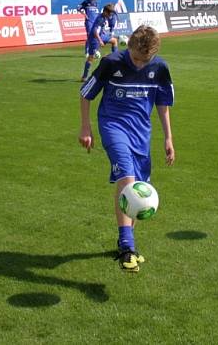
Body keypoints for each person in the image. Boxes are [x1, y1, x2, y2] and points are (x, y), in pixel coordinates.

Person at [78, 25, 175, 272]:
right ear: (128, 46)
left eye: (146, 60)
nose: (140, 65)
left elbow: (163, 104)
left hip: (142, 133)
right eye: (135, 58)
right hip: (113, 126)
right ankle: (128, 247)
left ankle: (126, 242)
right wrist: (86, 128)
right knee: (128, 181)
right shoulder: (111, 62)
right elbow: (86, 95)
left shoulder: (160, 68)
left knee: (140, 190)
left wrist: (168, 138)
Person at [80, 4, 119, 82]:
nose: (110, 16)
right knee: (91, 57)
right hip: (94, 39)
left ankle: (116, 60)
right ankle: (84, 77)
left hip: (101, 36)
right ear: (105, 12)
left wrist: (103, 32)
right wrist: (100, 40)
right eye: (109, 14)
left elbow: (100, 28)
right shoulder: (100, 19)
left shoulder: (104, 17)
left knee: (114, 41)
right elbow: (94, 31)